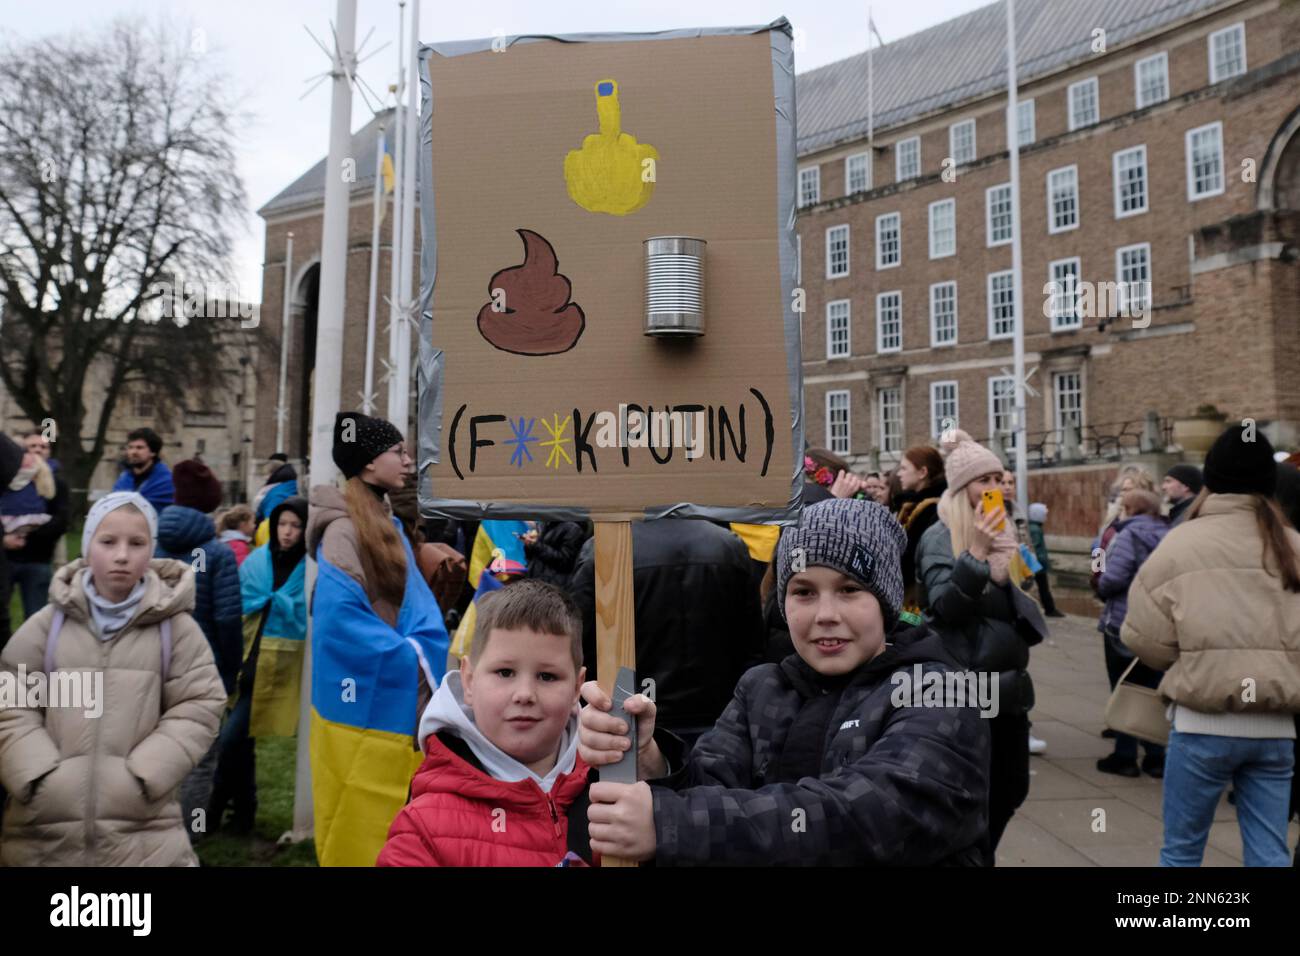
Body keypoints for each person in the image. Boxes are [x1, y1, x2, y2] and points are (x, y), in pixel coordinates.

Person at [576, 498, 990, 865]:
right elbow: (710, 784)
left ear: (885, 603)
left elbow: (869, 819)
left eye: (849, 590)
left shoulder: (941, 693)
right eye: (804, 592)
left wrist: (670, 825)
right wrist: (650, 758)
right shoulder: (762, 688)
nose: (825, 613)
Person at [0, 492, 226, 865]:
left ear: (151, 549)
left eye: (137, 543)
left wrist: (145, 774)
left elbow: (200, 703)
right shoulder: (47, 625)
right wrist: (36, 773)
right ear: (88, 547)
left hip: (144, 830)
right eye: (108, 542)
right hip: (45, 831)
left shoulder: (176, 631)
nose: (122, 555)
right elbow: (11, 698)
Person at [1124, 426, 1300, 867]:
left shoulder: (1180, 543)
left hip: (1203, 722)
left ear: (1211, 478)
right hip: (1276, 727)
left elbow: (1145, 642)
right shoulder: (1293, 547)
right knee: (1270, 854)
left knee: (1182, 852)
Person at [306, 412, 450, 866]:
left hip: (399, 702)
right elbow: (338, 621)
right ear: (369, 464)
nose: (409, 462)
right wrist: (411, 655)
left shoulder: (380, 522)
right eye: (398, 452)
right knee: (361, 817)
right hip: (367, 708)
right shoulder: (345, 530)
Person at [378, 580, 594, 866]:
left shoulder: (612, 790)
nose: (525, 694)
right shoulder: (422, 830)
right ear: (468, 680)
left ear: (577, 688)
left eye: (547, 676)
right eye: (505, 672)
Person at [915, 430, 1046, 855]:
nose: (993, 489)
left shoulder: (1005, 532)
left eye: (997, 479)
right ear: (961, 488)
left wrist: (1018, 562)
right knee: (976, 797)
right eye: (982, 482)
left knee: (1011, 789)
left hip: (1008, 684)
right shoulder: (941, 536)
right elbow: (941, 608)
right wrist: (974, 553)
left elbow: (1027, 599)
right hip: (965, 684)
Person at [569, 517, 764, 747]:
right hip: (718, 714)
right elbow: (753, 645)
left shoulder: (606, 546)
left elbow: (581, 645)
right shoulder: (730, 546)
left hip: (633, 716)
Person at [154, 460, 244, 838]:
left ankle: (151, 827)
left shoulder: (153, 545)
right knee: (200, 757)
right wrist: (232, 664)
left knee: (155, 749)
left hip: (153, 662)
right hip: (203, 668)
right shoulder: (218, 554)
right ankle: (190, 833)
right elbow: (227, 618)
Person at [210, 496, 308, 834]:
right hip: (242, 660)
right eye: (282, 524)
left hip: (278, 668)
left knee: (229, 741)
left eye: (296, 526)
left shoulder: (309, 571)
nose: (288, 532)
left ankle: (214, 809)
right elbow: (240, 602)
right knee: (240, 744)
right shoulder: (255, 562)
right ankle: (243, 814)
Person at [1095, 489, 1169, 778]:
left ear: (1128, 508)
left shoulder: (1127, 535)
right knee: (1153, 688)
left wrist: (1100, 584)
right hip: (1160, 624)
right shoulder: (1171, 534)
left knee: (1124, 687)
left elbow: (1111, 578)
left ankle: (1125, 756)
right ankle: (1156, 756)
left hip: (1125, 622)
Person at [1, 431, 69, 621]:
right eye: (32, 446)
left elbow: (61, 520)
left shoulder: (56, 483)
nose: (38, 450)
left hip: (37, 558)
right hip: (6, 557)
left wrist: (28, 535)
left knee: (36, 617)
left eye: (43, 446)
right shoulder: (7, 479)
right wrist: (5, 539)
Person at [893, 445, 948, 604]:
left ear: (922, 472)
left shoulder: (931, 509)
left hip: (917, 597)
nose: (899, 474)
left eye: (904, 468)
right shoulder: (912, 504)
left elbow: (911, 559)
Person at [112, 427, 175, 514]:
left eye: (139, 448)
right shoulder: (123, 480)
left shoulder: (166, 481)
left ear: (153, 452)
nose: (133, 452)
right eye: (130, 447)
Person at [1026, 503, 1065, 617]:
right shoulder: (1035, 529)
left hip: (1037, 564)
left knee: (1042, 587)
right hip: (1038, 565)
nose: (1045, 517)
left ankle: (1049, 608)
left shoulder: (1034, 528)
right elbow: (1036, 548)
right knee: (1044, 587)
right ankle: (1050, 608)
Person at [251, 454, 298, 548]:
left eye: (265, 474)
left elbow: (270, 524)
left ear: (273, 474)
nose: (264, 478)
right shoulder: (283, 488)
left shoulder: (277, 494)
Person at [523, 520, 587, 587]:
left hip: (553, 584)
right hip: (533, 577)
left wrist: (536, 545)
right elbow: (532, 556)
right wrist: (529, 545)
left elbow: (565, 562)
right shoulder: (543, 523)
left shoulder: (574, 529)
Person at [1162, 463, 1202, 528]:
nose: (1163, 487)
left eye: (1168, 481)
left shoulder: (1189, 515)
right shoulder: (1183, 512)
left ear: (1185, 486)